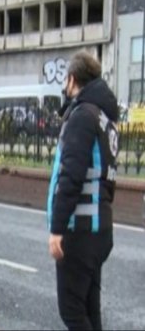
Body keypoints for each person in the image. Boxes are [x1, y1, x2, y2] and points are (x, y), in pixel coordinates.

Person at [47, 51, 118, 330]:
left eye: (65, 80)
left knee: (72, 312)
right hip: (100, 228)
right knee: (90, 310)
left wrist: (57, 229)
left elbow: (70, 176)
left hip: (79, 230)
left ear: (73, 79)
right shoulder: (104, 120)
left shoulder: (81, 116)